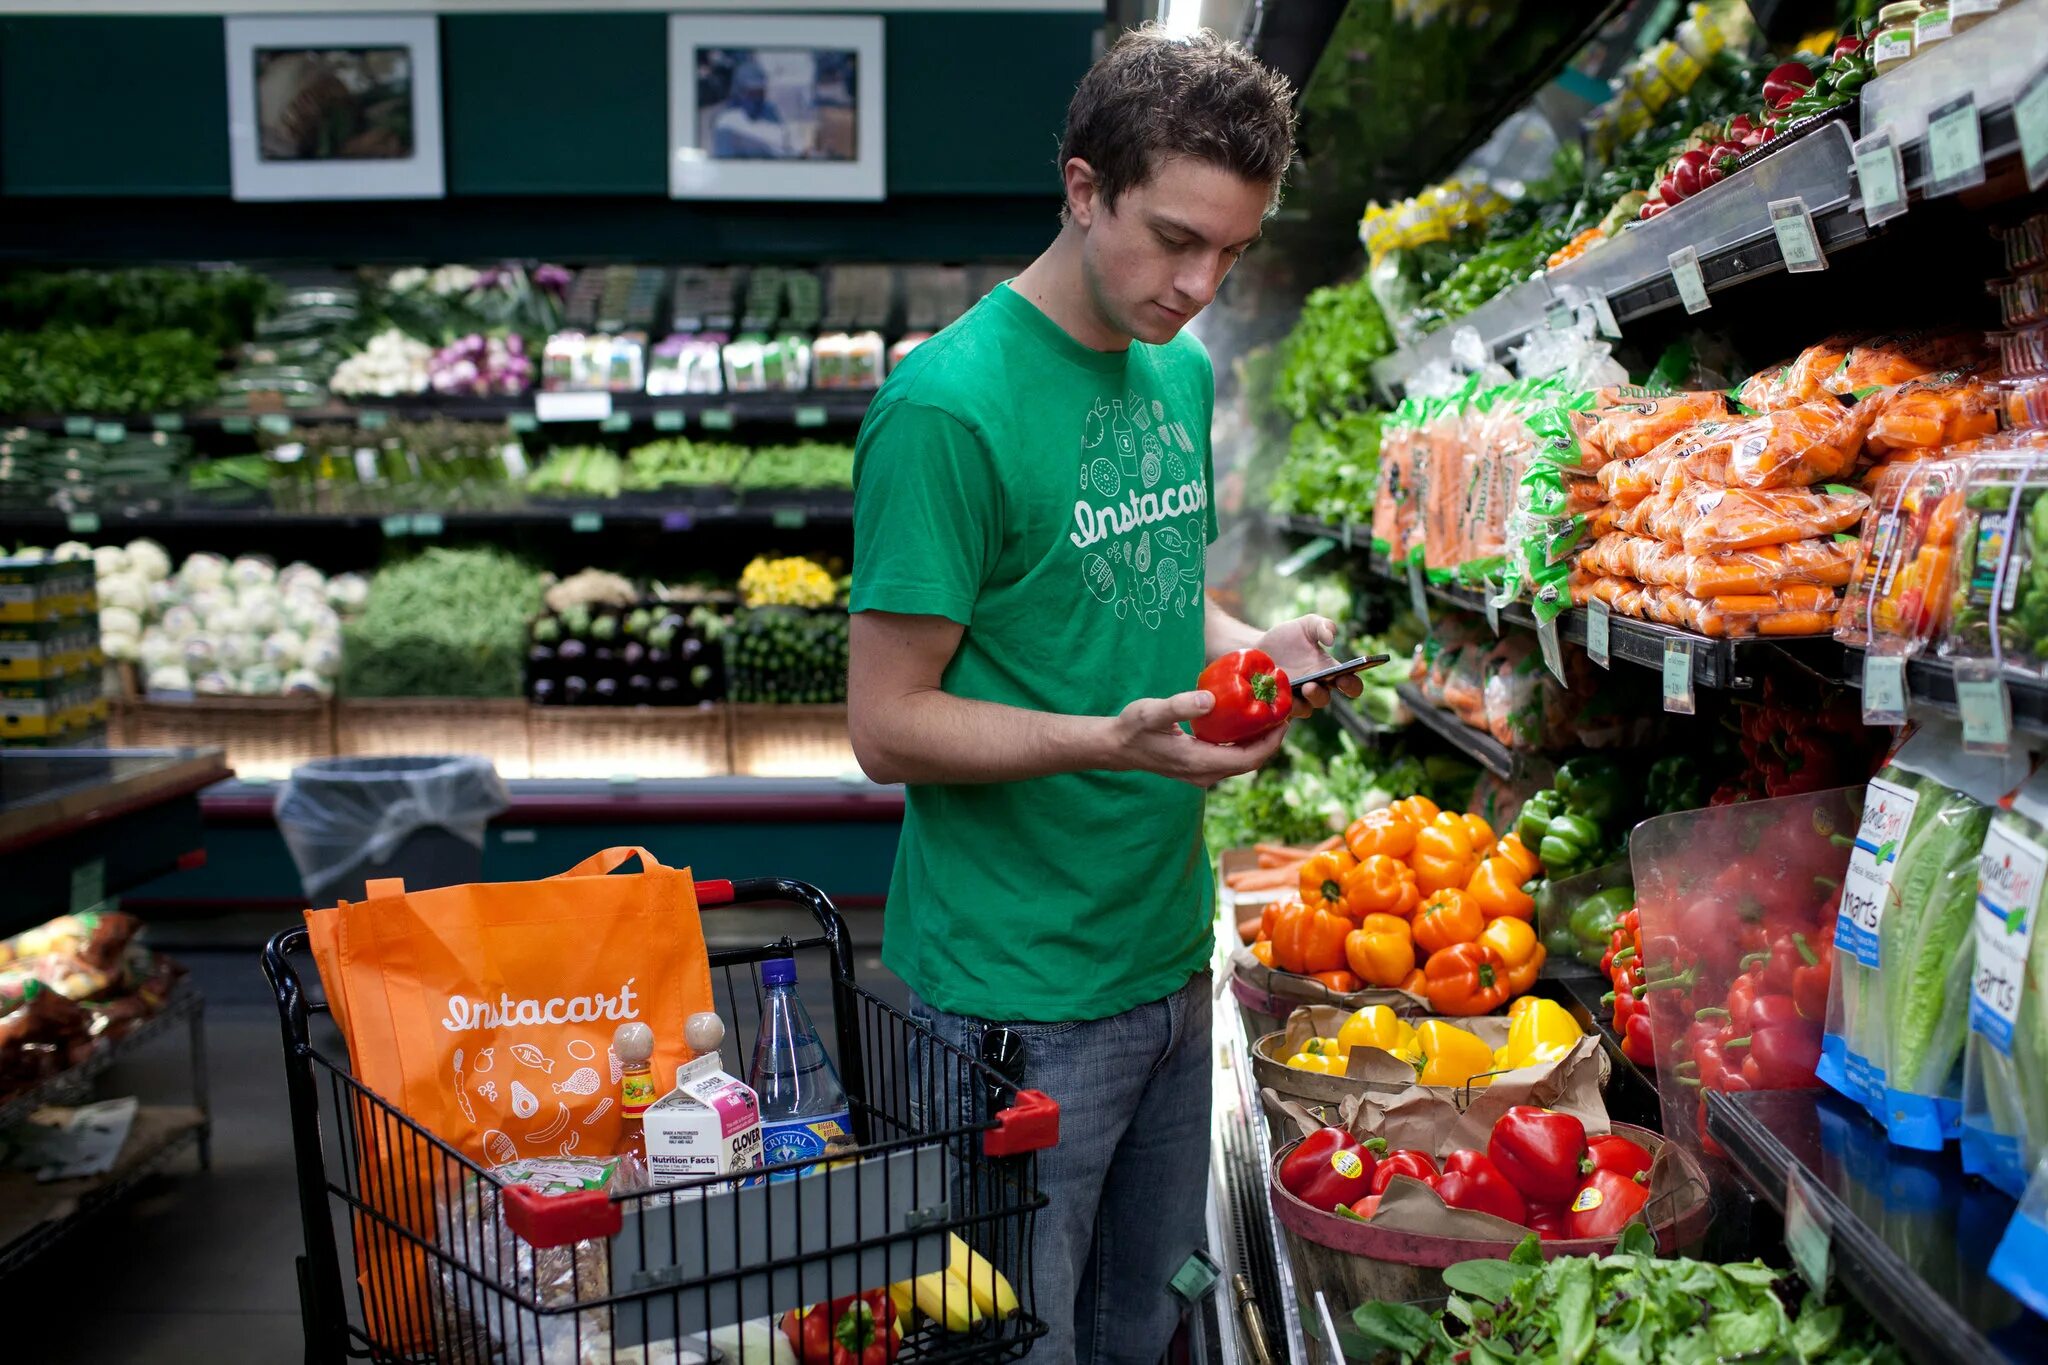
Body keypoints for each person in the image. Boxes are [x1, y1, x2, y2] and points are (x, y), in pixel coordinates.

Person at [847, 26, 1355, 1364]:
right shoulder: (944, 411)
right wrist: (1105, 744)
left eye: (1233, 252)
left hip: (1168, 953)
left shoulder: (1174, 371)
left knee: (1151, 1318)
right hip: (1018, 992)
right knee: (1023, 1337)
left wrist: (1259, 640)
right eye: (1175, 238)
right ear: (1083, 190)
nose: (1199, 284)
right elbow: (885, 725)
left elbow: (1142, 589)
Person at [710, 59, 791, 160]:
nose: (756, 99)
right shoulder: (726, 120)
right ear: (739, 93)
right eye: (751, 94)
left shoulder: (770, 110)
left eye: (760, 93)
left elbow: (784, 144)